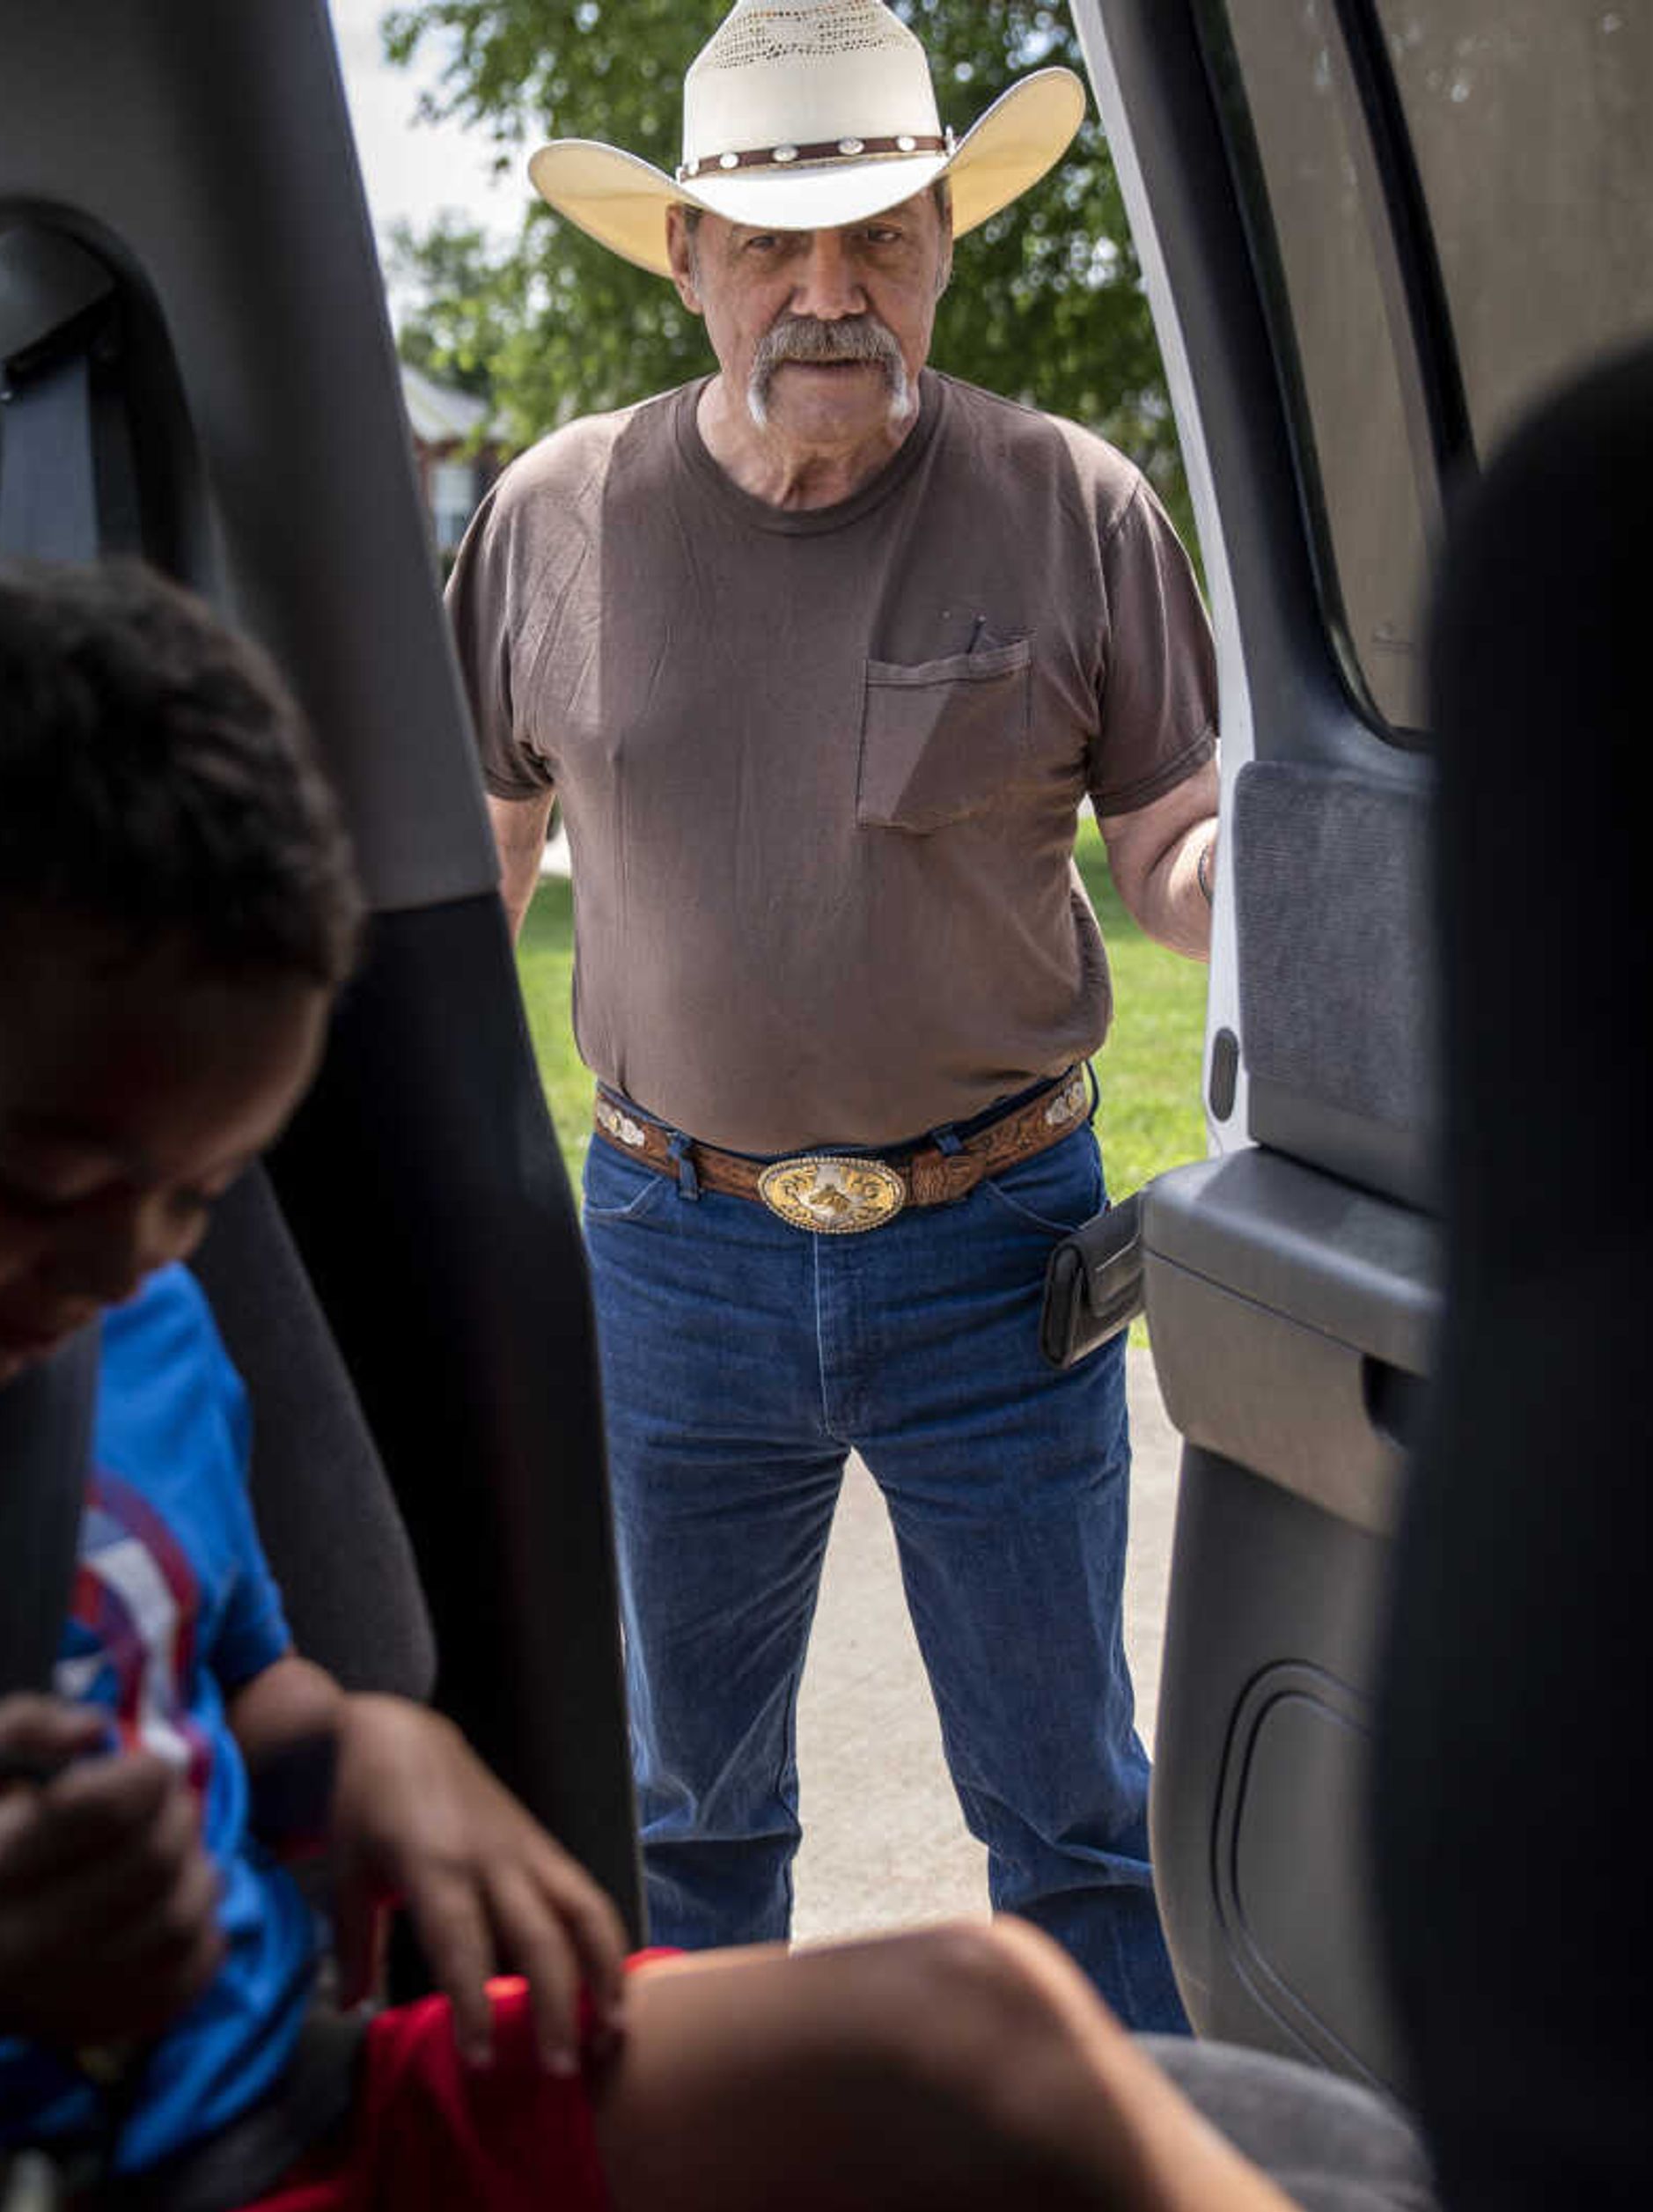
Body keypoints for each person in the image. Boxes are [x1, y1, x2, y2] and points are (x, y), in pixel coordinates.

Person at [0, 553, 1343, 2212]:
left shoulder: (130, 1310)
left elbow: (225, 1688)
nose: (123, 1265)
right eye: (42, 1179)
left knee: (986, 2018)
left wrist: (370, 1746)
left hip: (290, 2110)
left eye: (194, 1195)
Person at [447, 0, 1222, 2024]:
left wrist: (1285, 904)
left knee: (1071, 1811)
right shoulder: (551, 515)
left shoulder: (1076, 504)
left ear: (951, 237)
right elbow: (477, 856)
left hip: (1003, 1250)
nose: (829, 290)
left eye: (880, 233)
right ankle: (687, 2193)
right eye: (775, 246)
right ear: (686, 256)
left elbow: (1173, 842)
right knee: (684, 1810)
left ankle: (1130, 2191)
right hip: (672, 1255)